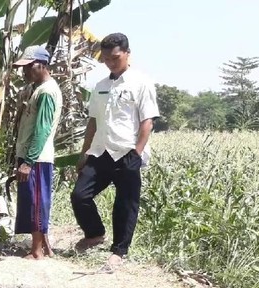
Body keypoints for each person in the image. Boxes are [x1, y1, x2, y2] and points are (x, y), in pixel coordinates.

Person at [71, 32, 159, 271]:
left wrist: (137, 153)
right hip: (100, 151)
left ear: (127, 54)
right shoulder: (100, 86)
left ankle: (119, 251)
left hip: (127, 153)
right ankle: (94, 234)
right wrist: (84, 152)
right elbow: (92, 122)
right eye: (106, 58)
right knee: (80, 195)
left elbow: (147, 121)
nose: (110, 62)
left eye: (115, 57)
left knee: (125, 204)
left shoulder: (141, 83)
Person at [12, 45, 63, 260]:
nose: (24, 72)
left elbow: (42, 130)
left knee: (36, 202)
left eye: (28, 67)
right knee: (34, 201)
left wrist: (28, 162)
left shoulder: (46, 92)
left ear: (41, 66)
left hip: (37, 157)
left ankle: (36, 251)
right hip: (32, 156)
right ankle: (44, 247)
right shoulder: (38, 89)